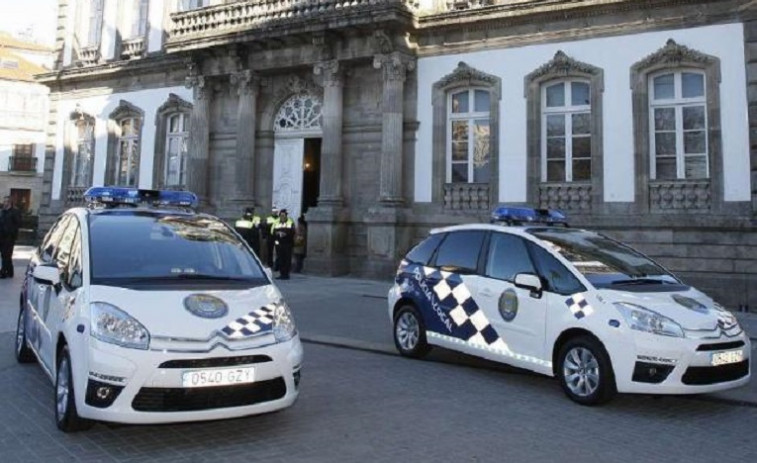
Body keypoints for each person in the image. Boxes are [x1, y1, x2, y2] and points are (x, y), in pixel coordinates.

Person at [0, 196, 21, 279]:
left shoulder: (15, 212)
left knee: (6, 255)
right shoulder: (2, 212)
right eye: (4, 201)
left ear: (10, 202)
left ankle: (3, 272)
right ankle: (10, 272)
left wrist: (11, 232)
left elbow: (18, 224)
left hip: (9, 238)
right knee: (5, 255)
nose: (4, 203)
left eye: (6, 202)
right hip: (1, 237)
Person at [272, 209, 295, 279]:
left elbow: (292, 232)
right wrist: (277, 233)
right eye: (281, 215)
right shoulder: (276, 223)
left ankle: (286, 274)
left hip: (287, 243)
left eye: (284, 215)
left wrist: (285, 234)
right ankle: (282, 274)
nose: (282, 217)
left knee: (287, 259)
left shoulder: (290, 222)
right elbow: (273, 231)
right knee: (280, 259)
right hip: (279, 243)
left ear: (286, 216)